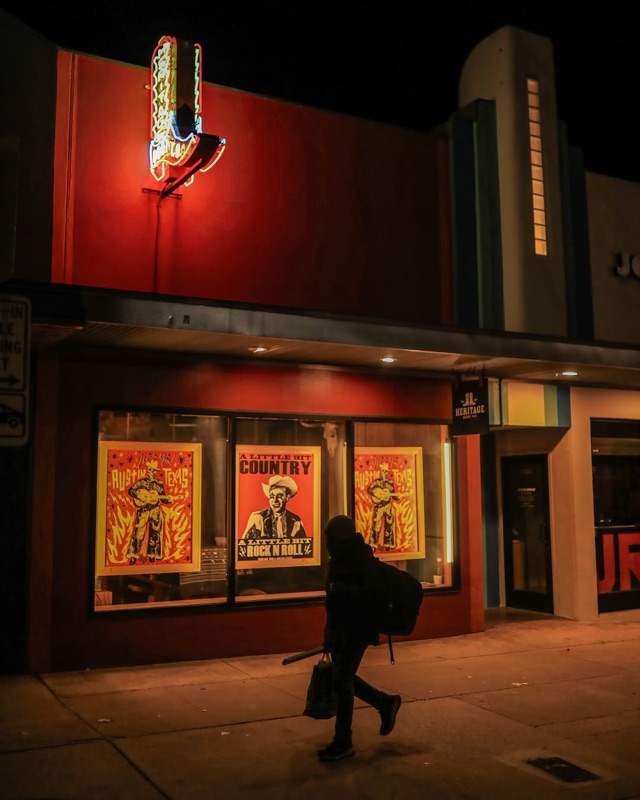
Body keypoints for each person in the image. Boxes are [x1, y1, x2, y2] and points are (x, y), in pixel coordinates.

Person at [318, 514, 402, 762]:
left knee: (342, 682)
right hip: (345, 630)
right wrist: (330, 632)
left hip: (355, 630)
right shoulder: (343, 559)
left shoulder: (355, 559)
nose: (327, 542)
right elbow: (334, 604)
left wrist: (341, 592)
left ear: (339, 537)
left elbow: (362, 595)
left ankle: (343, 741)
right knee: (342, 678)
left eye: (329, 536)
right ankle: (385, 703)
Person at [126, 460, 173, 565]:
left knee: (155, 533)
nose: (152, 472)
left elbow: (163, 498)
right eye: (151, 470)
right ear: (148, 470)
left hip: (155, 510)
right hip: (143, 510)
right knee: (138, 533)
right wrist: (139, 497)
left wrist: (169, 500)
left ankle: (153, 555)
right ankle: (133, 555)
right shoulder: (141, 482)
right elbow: (130, 490)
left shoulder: (159, 484)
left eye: (154, 470)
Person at [242, 475, 306, 539]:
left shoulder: (295, 520)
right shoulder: (258, 518)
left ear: (287, 497)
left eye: (279, 496)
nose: (275, 500)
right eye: (272, 496)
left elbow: (304, 544)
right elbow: (246, 544)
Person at [367, 463, 400, 550]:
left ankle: (388, 544)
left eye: (386, 471)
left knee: (389, 525)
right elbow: (369, 489)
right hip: (379, 506)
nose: (384, 473)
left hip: (388, 506)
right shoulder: (376, 482)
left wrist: (397, 497)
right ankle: (373, 545)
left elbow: (393, 494)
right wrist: (375, 493)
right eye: (383, 471)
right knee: (376, 526)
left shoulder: (390, 483)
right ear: (381, 472)